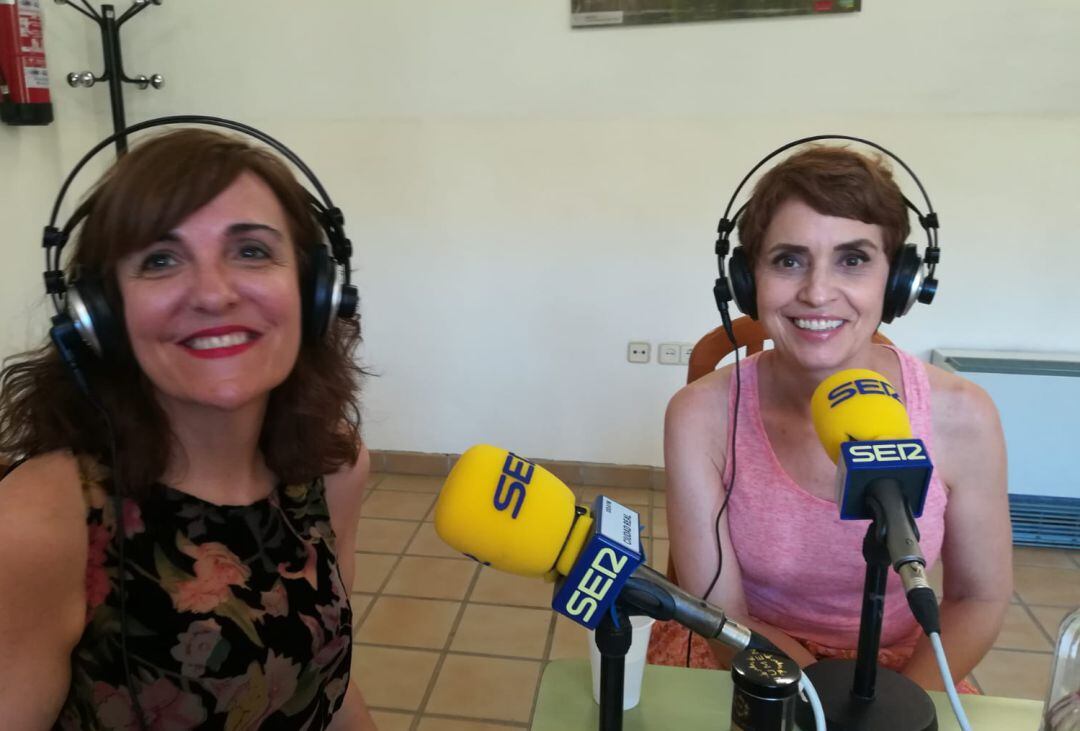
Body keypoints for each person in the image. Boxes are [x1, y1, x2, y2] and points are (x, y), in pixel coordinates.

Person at [0, 128, 378, 729]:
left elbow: (324, 675)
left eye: (252, 250)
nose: (213, 293)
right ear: (100, 316)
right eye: (160, 260)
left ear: (314, 291)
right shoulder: (38, 524)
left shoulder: (332, 469)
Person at [651, 146, 1013, 692]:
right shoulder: (699, 415)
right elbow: (717, 609)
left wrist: (893, 705)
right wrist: (820, 703)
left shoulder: (964, 416)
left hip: (902, 669)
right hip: (742, 647)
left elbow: (978, 598)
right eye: (788, 260)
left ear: (900, 282)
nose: (817, 292)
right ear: (747, 281)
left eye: (853, 259)